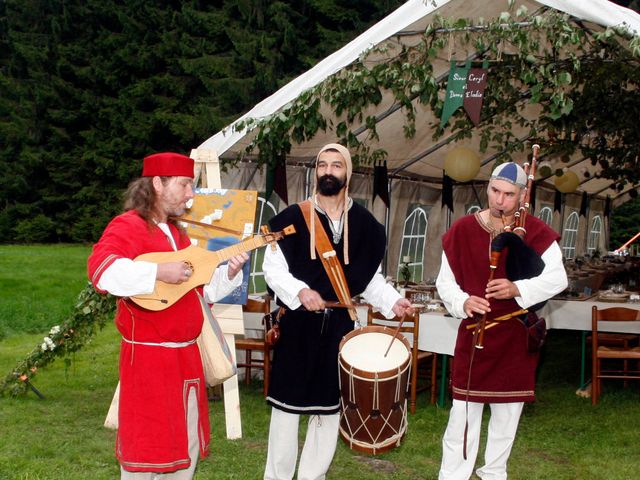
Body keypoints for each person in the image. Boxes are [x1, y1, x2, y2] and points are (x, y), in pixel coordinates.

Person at [87, 152, 249, 479]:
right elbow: (101, 272)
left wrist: (229, 274)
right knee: (145, 454)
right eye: (185, 184)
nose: (191, 194)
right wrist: (158, 271)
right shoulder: (128, 225)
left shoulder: (179, 235)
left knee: (184, 454)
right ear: (158, 184)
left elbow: (197, 293)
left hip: (186, 363)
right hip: (148, 364)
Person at [262, 143, 413, 480]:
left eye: (336, 166)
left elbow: (368, 279)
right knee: (286, 411)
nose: (328, 171)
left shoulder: (365, 225)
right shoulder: (291, 218)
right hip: (298, 323)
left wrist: (392, 301)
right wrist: (300, 291)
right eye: (322, 165)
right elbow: (273, 269)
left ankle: (312, 477)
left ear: (348, 174)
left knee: (329, 410)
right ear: (316, 172)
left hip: (340, 329)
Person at [436, 162, 568, 480]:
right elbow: (445, 282)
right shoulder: (463, 230)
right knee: (462, 417)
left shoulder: (535, 233)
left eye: (509, 195)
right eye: (495, 191)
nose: (500, 200)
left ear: (522, 196)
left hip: (513, 334)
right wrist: (462, 301)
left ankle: (494, 473)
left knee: (506, 417)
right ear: (488, 189)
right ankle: (453, 475)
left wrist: (517, 288)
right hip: (473, 333)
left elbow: (558, 279)